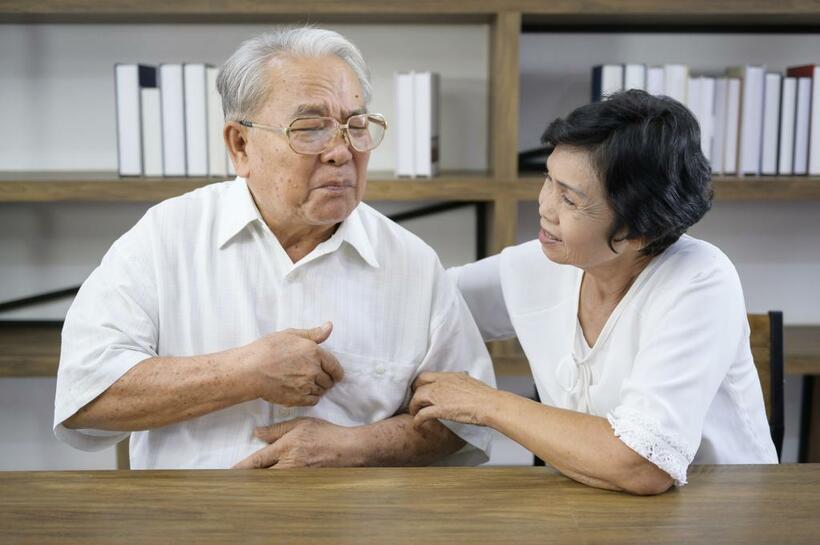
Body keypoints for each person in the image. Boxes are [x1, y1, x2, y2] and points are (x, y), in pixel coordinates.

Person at [54, 26, 494, 469]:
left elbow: (463, 422)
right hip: (192, 525)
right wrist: (244, 372)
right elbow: (85, 397)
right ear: (240, 145)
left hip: (354, 526)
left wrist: (357, 446)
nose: (342, 152)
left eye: (356, 126)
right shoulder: (167, 235)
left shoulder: (412, 262)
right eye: (310, 128)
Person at [409, 90, 778, 495]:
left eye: (569, 199)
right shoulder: (537, 264)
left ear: (640, 232)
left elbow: (641, 465)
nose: (545, 206)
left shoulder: (701, 280)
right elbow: (418, 304)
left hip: (723, 516)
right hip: (592, 512)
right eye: (548, 179)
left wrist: (488, 404)